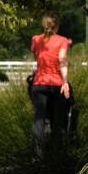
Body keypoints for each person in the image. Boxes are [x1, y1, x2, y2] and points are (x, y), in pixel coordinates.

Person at [29, 13, 72, 157]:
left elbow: (37, 58)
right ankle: (56, 154)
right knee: (57, 119)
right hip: (56, 84)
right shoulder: (62, 40)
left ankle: (38, 155)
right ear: (57, 26)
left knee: (39, 118)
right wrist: (65, 82)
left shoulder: (36, 39)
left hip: (39, 83)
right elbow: (62, 60)